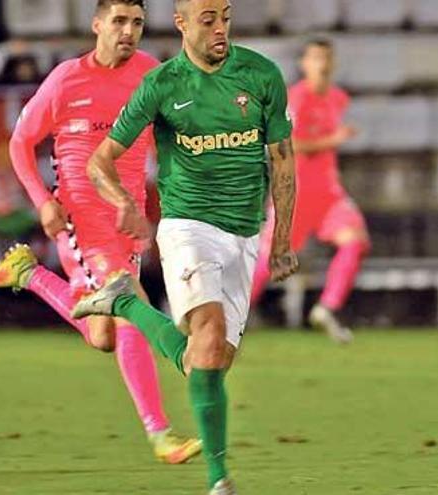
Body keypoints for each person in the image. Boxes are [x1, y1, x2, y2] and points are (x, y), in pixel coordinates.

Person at [70, 0, 298, 492]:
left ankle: (126, 301)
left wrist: (280, 240)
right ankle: (220, 481)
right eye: (208, 19)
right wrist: (126, 204)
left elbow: (282, 158)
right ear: (181, 24)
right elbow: (99, 161)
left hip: (243, 232)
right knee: (210, 335)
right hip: (187, 226)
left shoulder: (261, 75)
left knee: (205, 361)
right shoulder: (162, 85)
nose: (220, 29)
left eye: (226, 17)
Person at [0, 0, 201, 465]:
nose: (129, 31)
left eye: (137, 22)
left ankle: (30, 275)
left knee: (104, 336)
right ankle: (161, 433)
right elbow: (20, 142)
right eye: (119, 21)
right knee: (128, 299)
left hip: (126, 215)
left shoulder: (150, 73)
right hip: (80, 212)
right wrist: (43, 201)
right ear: (98, 25)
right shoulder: (65, 79)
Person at [251, 38, 370, 343]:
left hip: (328, 194)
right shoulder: (295, 100)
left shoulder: (338, 98)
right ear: (304, 64)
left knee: (355, 241)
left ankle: (327, 307)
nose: (323, 64)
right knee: (269, 262)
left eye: (327, 58)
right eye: (316, 58)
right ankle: (228, 314)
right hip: (295, 193)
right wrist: (333, 140)